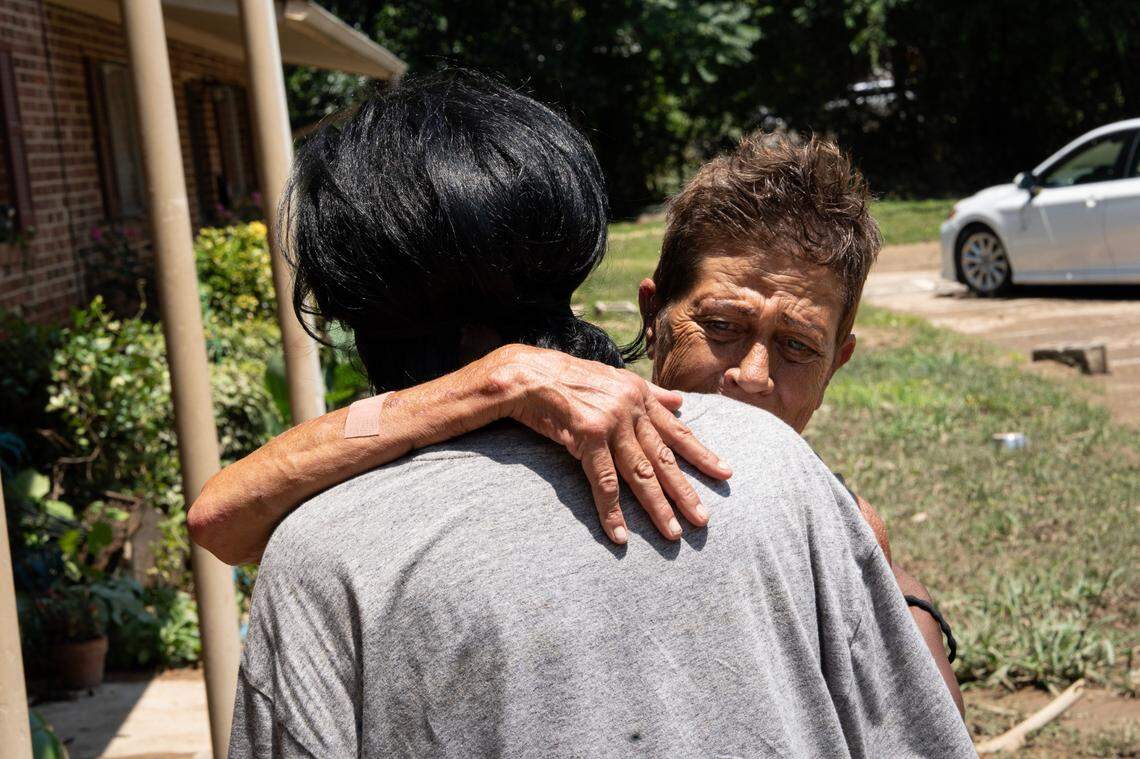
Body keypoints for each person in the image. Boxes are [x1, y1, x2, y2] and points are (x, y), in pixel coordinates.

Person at [226, 70, 973, 757]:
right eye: (719, 327)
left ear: (349, 304)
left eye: (795, 346)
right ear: (643, 306)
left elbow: (221, 522)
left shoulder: (324, 552)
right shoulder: (777, 471)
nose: (750, 376)